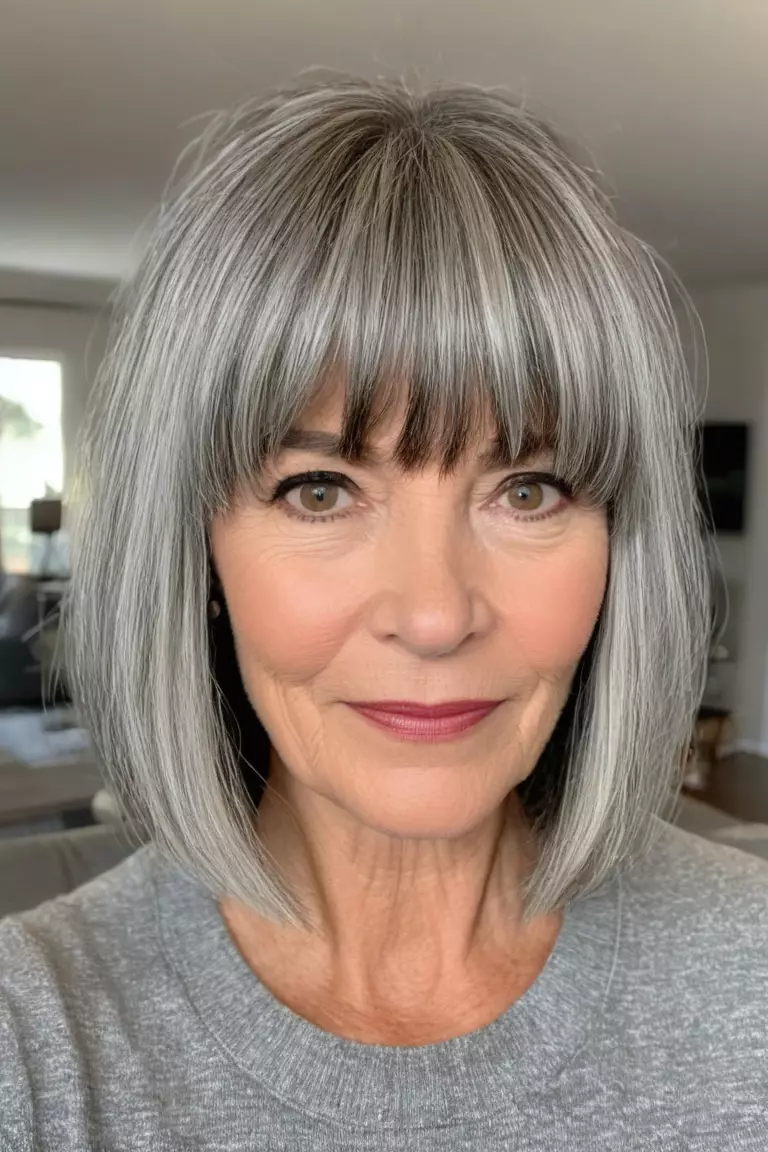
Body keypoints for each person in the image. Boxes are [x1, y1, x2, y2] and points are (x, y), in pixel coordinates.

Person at [1, 74, 766, 1150]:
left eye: (528, 490)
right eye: (320, 491)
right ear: (198, 551)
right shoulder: (35, 1047)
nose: (436, 615)